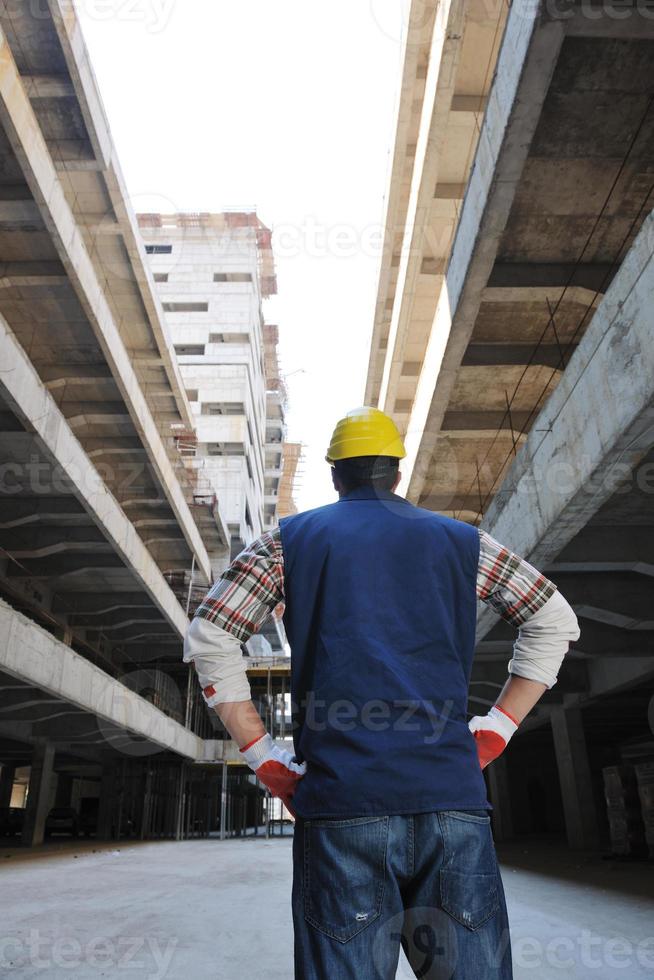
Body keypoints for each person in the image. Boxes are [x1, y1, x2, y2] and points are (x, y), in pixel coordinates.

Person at [184, 407, 580, 979]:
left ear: (335, 476)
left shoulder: (287, 544)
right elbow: (552, 619)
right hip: (451, 801)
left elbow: (210, 636)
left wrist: (263, 758)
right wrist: (497, 728)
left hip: (341, 805)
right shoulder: (464, 543)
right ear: (398, 473)